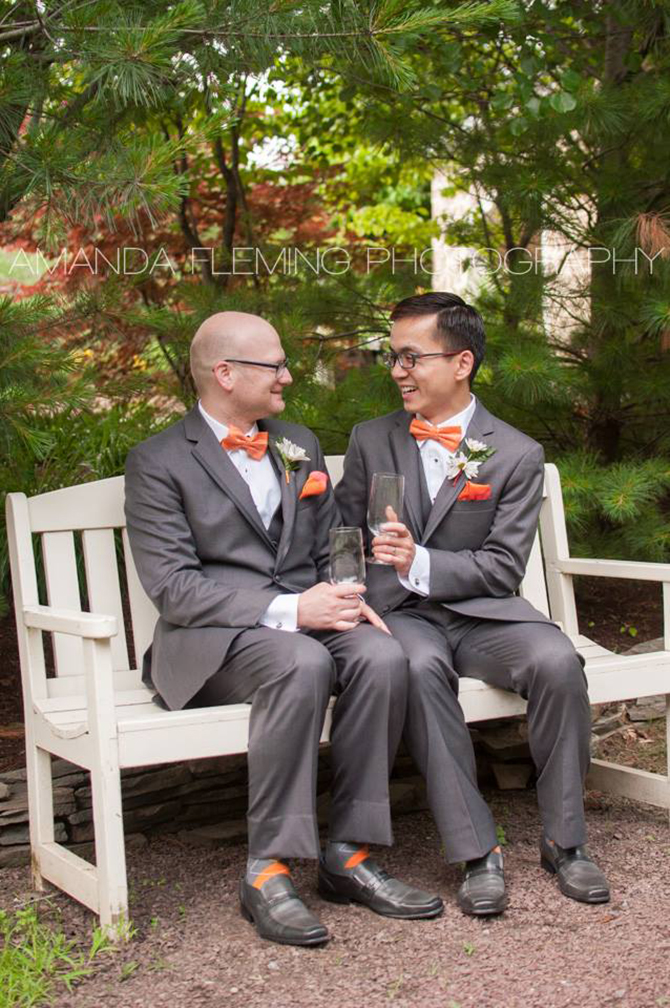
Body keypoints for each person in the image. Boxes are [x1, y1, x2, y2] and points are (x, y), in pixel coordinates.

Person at [124, 311, 443, 948]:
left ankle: (348, 855)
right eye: (275, 365)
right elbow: (174, 589)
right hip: (211, 639)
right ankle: (266, 869)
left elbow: (331, 549)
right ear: (225, 373)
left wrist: (348, 594)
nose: (288, 376)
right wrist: (295, 612)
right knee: (301, 662)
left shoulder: (295, 442)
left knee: (382, 656)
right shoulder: (157, 461)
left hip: (302, 620)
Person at [335, 292, 610, 916]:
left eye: (412, 356)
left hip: (485, 612)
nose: (398, 370)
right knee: (418, 669)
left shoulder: (515, 452)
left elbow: (503, 568)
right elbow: (343, 534)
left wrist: (420, 560)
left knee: (557, 662)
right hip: (401, 616)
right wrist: (353, 591)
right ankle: (476, 852)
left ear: (461, 363)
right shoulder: (370, 439)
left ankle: (565, 842)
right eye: (393, 356)